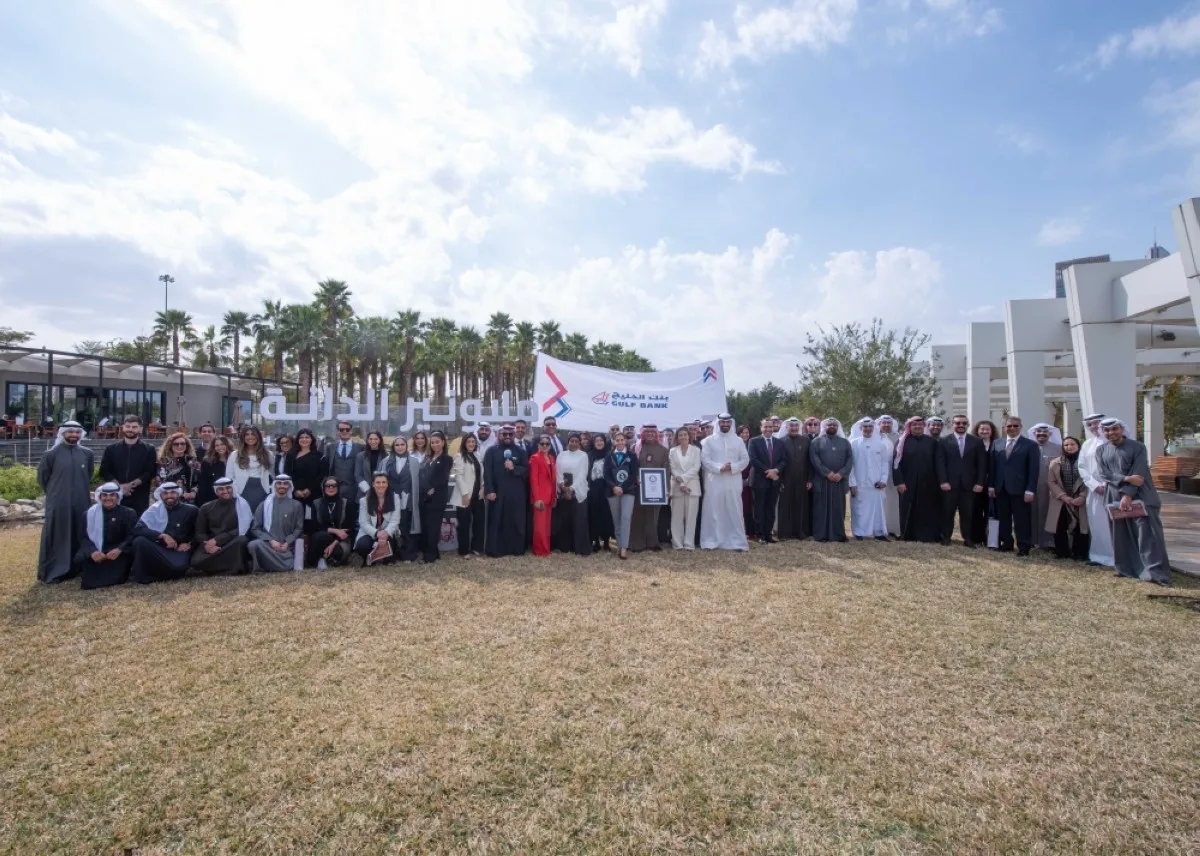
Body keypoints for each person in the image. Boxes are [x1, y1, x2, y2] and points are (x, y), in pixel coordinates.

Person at [1097, 418, 1171, 586]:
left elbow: (1139, 474)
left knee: (1147, 535)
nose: (1111, 433)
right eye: (1107, 430)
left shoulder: (1137, 447)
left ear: (1122, 429)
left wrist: (1128, 494)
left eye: (1114, 429)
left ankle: (1156, 574)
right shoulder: (1101, 450)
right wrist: (1125, 478)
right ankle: (1125, 568)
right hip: (1113, 496)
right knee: (1120, 534)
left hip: (1141, 496)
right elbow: (1104, 474)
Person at [37, 421, 94, 584]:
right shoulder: (51, 454)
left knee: (79, 532)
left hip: (81, 502)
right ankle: (55, 570)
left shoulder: (87, 454)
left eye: (77, 432)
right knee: (58, 534)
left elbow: (88, 476)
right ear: (62, 433)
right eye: (70, 432)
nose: (74, 435)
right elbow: (43, 479)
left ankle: (77, 568)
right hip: (58, 503)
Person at [989, 416, 1040, 556]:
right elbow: (993, 467)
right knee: (1003, 518)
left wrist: (1030, 489)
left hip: (1021, 489)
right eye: (1009, 426)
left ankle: (1024, 546)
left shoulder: (1030, 445)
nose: (1012, 428)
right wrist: (991, 486)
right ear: (1004, 428)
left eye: (1015, 426)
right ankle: (1006, 543)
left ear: (1021, 427)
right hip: (1001, 488)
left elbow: (1033, 469)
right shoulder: (997, 443)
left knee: (1021, 519)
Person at [129, 483, 199, 584]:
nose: (169, 496)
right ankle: (143, 575)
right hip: (159, 547)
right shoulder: (153, 510)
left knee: (178, 568)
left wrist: (189, 543)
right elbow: (138, 529)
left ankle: (157, 572)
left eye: (172, 493)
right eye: (165, 493)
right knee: (139, 541)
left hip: (178, 549)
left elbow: (199, 531)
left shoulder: (191, 510)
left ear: (178, 494)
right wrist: (161, 535)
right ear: (161, 496)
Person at [699, 414, 750, 551]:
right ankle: (711, 541)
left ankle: (736, 541)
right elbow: (705, 460)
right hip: (714, 480)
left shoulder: (738, 441)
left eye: (727, 421)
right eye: (723, 422)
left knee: (734, 509)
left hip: (733, 480)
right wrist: (719, 468)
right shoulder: (709, 441)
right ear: (718, 423)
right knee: (713, 510)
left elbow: (745, 459)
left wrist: (732, 467)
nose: (725, 424)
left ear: (731, 423)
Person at [937, 414, 988, 547]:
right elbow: (940, 463)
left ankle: (968, 539)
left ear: (968, 425)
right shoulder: (943, 441)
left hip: (969, 485)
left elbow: (982, 464)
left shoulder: (976, 442)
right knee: (947, 512)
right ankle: (946, 537)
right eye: (958, 423)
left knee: (967, 513)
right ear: (952, 425)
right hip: (949, 484)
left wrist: (980, 482)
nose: (961, 425)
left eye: (964, 423)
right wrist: (943, 481)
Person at [76, 482, 139, 589]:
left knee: (117, 573)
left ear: (117, 497)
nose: (108, 498)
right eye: (104, 495)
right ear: (100, 497)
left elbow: (132, 535)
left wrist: (119, 549)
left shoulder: (128, 513)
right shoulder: (89, 514)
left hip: (118, 552)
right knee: (81, 562)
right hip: (97, 551)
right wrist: (93, 551)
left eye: (112, 495)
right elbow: (83, 537)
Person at [189, 476, 252, 575]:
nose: (225, 491)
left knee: (242, 540)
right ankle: (230, 567)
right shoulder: (206, 507)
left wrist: (218, 540)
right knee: (196, 562)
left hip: (231, 542)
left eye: (228, 488)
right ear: (216, 491)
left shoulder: (241, 505)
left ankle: (220, 568)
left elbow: (242, 529)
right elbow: (200, 532)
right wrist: (208, 545)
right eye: (221, 489)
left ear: (233, 488)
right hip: (212, 544)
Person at [483, 424, 529, 557]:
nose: (507, 437)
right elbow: (487, 473)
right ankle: (496, 549)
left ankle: (516, 548)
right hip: (497, 492)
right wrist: (489, 490)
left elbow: (526, 470)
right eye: (504, 434)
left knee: (516, 520)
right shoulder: (491, 451)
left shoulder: (521, 451)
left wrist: (514, 468)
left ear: (514, 435)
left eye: (510, 434)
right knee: (497, 519)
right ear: (499, 435)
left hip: (516, 493)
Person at [894, 417, 941, 543]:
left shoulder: (931, 442)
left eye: (920, 425)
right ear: (910, 427)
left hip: (928, 482)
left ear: (924, 426)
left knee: (926, 508)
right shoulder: (902, 442)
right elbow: (895, 464)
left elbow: (938, 464)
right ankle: (906, 534)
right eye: (914, 425)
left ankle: (925, 535)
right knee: (907, 508)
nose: (917, 427)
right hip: (907, 482)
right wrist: (899, 482)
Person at [98, 415, 157, 514]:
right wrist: (119, 487)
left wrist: (130, 485)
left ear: (140, 429)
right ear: (123, 428)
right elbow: (104, 471)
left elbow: (150, 472)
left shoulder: (149, 449)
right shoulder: (111, 449)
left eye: (134, 427)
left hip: (139, 497)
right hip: (115, 496)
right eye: (128, 426)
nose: (130, 429)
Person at [1077, 413, 1115, 567]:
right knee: (1097, 523)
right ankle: (1099, 556)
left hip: (1113, 489)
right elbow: (1082, 467)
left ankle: (1118, 557)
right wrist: (1094, 485)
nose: (1093, 427)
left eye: (1096, 424)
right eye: (1090, 424)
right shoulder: (1087, 444)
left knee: (1114, 523)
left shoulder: (1115, 443)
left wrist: (1107, 484)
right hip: (1094, 490)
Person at [247, 474, 305, 572]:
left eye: (285, 483)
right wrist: (271, 540)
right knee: (253, 545)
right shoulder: (264, 505)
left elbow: (298, 528)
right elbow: (255, 528)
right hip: (268, 546)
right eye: (279, 483)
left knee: (288, 564)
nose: (282, 486)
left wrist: (287, 542)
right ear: (274, 485)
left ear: (290, 486)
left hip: (286, 548)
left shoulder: (297, 505)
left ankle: (269, 565)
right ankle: (267, 566)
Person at [1046, 436, 1090, 561]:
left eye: (1072, 444)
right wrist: (1064, 496)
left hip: (1079, 500)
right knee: (1060, 525)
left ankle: (1080, 553)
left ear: (1078, 446)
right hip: (1061, 500)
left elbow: (1088, 480)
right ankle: (1062, 551)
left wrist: (1082, 496)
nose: (1069, 447)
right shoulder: (1055, 462)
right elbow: (1051, 482)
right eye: (1066, 445)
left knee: (1081, 526)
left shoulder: (1085, 462)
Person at [809, 418, 853, 543]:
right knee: (821, 508)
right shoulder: (816, 442)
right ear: (824, 426)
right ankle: (821, 535)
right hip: (822, 480)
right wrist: (827, 473)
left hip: (838, 481)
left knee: (838, 508)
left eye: (834, 424)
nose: (832, 426)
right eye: (830, 424)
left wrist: (841, 473)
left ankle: (839, 534)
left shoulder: (845, 442)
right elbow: (814, 459)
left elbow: (850, 460)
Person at [747, 419, 789, 543]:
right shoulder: (754, 441)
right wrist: (768, 471)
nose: (768, 429)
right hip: (759, 480)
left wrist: (775, 470)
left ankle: (768, 534)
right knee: (759, 508)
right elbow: (753, 459)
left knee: (770, 508)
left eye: (770, 427)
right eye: (766, 427)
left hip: (774, 481)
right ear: (761, 428)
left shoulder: (779, 443)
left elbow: (784, 460)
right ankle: (759, 535)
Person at [848, 418, 889, 540]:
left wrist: (883, 480)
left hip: (876, 484)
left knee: (878, 509)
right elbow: (850, 465)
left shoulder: (880, 444)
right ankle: (859, 532)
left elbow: (884, 463)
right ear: (860, 429)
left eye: (870, 427)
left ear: (873, 428)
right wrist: (852, 483)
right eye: (865, 427)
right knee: (859, 509)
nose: (867, 429)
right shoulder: (853, 443)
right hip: (859, 483)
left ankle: (878, 533)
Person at [630, 424, 668, 552]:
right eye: (648, 432)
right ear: (643, 433)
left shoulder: (663, 450)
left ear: (656, 434)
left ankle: (652, 542)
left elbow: (666, 471)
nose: (650, 434)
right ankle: (636, 543)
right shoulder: (635, 448)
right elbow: (630, 466)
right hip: (639, 487)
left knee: (653, 515)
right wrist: (635, 477)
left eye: (653, 432)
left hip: (656, 489)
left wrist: (665, 488)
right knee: (637, 515)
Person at [385, 435, 422, 561]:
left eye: (402, 445)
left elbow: (417, 481)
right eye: (397, 445)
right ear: (393, 447)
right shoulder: (385, 461)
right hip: (391, 498)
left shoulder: (414, 462)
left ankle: (408, 554)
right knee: (391, 525)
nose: (400, 447)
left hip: (407, 498)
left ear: (406, 446)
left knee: (406, 525)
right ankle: (390, 554)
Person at [554, 433, 592, 555]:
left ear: (579, 443)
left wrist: (572, 489)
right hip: (563, 490)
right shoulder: (561, 454)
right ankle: (565, 546)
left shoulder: (583, 455)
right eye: (572, 441)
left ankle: (579, 547)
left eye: (576, 441)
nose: (574, 443)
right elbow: (557, 471)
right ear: (568, 442)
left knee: (579, 520)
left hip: (578, 490)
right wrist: (563, 486)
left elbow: (583, 474)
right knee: (565, 520)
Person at [354, 473, 403, 566]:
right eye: (378, 482)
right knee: (362, 546)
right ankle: (371, 555)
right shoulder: (364, 500)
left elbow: (395, 520)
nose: (381, 485)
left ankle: (380, 556)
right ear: (373, 484)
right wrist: (377, 533)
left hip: (387, 532)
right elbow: (363, 522)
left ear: (388, 484)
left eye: (384, 482)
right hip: (370, 532)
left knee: (390, 549)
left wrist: (385, 533)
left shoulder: (395, 497)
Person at [604, 431, 639, 559]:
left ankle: (624, 546)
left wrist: (622, 487)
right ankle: (619, 545)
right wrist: (614, 486)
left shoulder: (632, 456)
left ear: (625, 441)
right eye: (617, 440)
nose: (619, 442)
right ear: (614, 441)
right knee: (617, 519)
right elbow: (606, 475)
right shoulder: (609, 456)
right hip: (612, 491)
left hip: (628, 491)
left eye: (622, 440)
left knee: (625, 517)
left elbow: (633, 474)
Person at [776, 418, 813, 541]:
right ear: (786, 427)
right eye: (791, 426)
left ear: (799, 427)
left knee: (801, 505)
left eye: (796, 426)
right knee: (785, 505)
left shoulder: (806, 441)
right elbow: (778, 462)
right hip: (785, 479)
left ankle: (800, 532)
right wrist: (779, 480)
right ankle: (784, 533)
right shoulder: (780, 442)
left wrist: (809, 479)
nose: (794, 428)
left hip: (802, 479)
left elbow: (809, 462)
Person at [1028, 423, 1063, 550]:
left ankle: (1048, 542)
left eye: (1044, 433)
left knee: (1048, 513)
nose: (1041, 435)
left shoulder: (1059, 448)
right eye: (1038, 432)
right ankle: (1031, 539)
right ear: (1034, 434)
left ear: (1050, 434)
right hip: (1031, 486)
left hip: (1050, 488)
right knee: (1030, 513)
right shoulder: (1029, 446)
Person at [419, 431, 453, 563]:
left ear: (443, 442)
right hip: (425, 496)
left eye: (437, 441)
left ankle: (429, 556)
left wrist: (432, 488)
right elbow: (421, 474)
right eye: (432, 442)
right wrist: (426, 488)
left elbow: (442, 478)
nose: (435, 444)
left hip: (437, 497)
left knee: (433, 527)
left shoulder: (447, 459)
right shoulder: (427, 458)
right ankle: (434, 552)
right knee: (426, 527)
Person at [309, 477, 357, 568]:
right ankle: (321, 559)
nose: (331, 488)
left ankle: (327, 558)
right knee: (322, 536)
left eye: (334, 486)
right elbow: (314, 526)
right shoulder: (316, 503)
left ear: (338, 487)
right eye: (328, 486)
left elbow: (349, 527)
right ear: (323, 488)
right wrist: (335, 531)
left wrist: (333, 544)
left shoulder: (347, 503)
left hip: (342, 539)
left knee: (339, 552)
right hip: (321, 538)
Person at [452, 433, 486, 557]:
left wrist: (483, 487)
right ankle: (464, 550)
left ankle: (476, 547)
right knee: (464, 524)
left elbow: (482, 474)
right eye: (469, 442)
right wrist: (465, 494)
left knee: (479, 522)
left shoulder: (478, 455)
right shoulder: (459, 456)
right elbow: (458, 476)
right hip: (465, 496)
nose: (471, 444)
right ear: (464, 444)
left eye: (473, 441)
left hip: (478, 495)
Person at [668, 426, 701, 550]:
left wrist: (683, 481)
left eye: (685, 435)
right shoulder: (672, 451)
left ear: (689, 436)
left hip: (692, 486)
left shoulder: (696, 450)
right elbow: (673, 468)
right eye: (680, 435)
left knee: (691, 517)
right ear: (677, 437)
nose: (683, 437)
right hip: (676, 487)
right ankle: (677, 543)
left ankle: (688, 544)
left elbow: (696, 467)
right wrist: (680, 482)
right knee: (676, 517)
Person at [229, 425, 273, 511]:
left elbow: (273, 475)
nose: (250, 437)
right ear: (243, 437)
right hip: (242, 491)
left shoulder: (268, 454)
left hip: (262, 490)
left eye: (253, 434)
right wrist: (235, 492)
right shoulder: (234, 455)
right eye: (247, 434)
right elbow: (229, 476)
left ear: (258, 436)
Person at [969, 420, 998, 546]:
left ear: (992, 432)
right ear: (977, 430)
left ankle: (990, 539)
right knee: (976, 510)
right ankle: (976, 537)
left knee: (991, 512)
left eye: (987, 429)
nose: (985, 432)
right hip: (976, 484)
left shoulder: (997, 444)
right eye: (982, 429)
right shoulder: (972, 444)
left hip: (992, 484)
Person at [529, 434, 557, 557]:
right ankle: (539, 550)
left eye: (547, 444)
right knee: (539, 526)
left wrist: (554, 496)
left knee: (546, 526)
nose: (545, 445)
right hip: (540, 497)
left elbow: (553, 479)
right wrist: (537, 498)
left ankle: (546, 549)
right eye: (542, 443)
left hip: (550, 496)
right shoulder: (534, 458)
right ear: (538, 445)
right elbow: (533, 479)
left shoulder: (551, 458)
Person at [587, 433, 615, 552]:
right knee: (594, 515)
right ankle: (596, 542)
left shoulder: (610, 454)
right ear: (593, 443)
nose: (599, 443)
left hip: (606, 488)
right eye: (596, 441)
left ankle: (607, 542)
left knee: (606, 516)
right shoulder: (589, 455)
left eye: (601, 440)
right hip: (593, 489)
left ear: (605, 442)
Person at [290, 428, 322, 527]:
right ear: (298, 440)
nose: (304, 439)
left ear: (312, 439)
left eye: (307, 437)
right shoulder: (291, 455)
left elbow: (321, 475)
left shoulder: (319, 456)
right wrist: (295, 490)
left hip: (314, 494)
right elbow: (288, 474)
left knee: (313, 522)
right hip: (295, 494)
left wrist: (309, 489)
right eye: (301, 437)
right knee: (296, 521)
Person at [875, 415, 901, 538]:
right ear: (879, 424)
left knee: (893, 501)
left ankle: (892, 528)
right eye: (883, 423)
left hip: (893, 473)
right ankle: (878, 527)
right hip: (877, 473)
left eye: (888, 423)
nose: (886, 425)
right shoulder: (874, 437)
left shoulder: (899, 438)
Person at [325, 421, 364, 501]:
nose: (344, 431)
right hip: (334, 489)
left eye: (347, 429)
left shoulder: (360, 448)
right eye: (341, 429)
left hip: (354, 489)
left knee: (352, 513)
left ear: (351, 431)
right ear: (338, 432)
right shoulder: (330, 447)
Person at [157, 432, 200, 503]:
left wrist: (194, 492)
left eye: (182, 443)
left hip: (192, 500)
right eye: (176, 444)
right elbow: (161, 482)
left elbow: (200, 479)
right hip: (171, 499)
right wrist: (182, 493)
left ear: (187, 445)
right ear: (170, 446)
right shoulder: (164, 462)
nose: (180, 446)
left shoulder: (193, 461)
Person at [195, 435, 233, 507]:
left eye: (222, 444)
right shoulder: (207, 463)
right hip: (213, 499)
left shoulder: (234, 460)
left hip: (232, 498)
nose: (220, 447)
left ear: (228, 445)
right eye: (217, 445)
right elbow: (203, 484)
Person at [354, 431, 388, 498]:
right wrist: (367, 489)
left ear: (380, 440)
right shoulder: (360, 456)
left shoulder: (386, 456)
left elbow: (387, 475)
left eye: (376, 439)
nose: (373, 441)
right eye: (371, 439)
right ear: (367, 440)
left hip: (381, 492)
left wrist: (378, 488)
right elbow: (358, 475)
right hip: (364, 493)